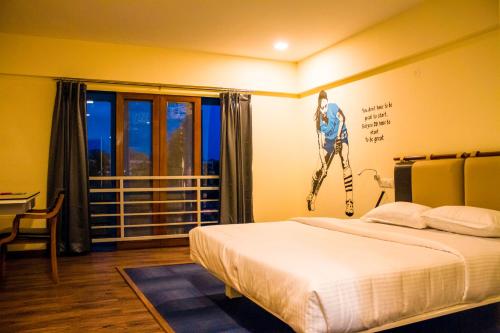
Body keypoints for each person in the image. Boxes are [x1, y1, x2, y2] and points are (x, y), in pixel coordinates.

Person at [307, 90, 354, 216]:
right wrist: (324, 165)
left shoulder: (333, 107)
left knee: (345, 160)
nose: (325, 109)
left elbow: (342, 119)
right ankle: (312, 192)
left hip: (341, 135)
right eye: (322, 107)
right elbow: (320, 143)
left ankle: (349, 201)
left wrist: (338, 137)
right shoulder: (319, 121)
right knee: (319, 168)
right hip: (328, 140)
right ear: (319, 106)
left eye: (326, 106)